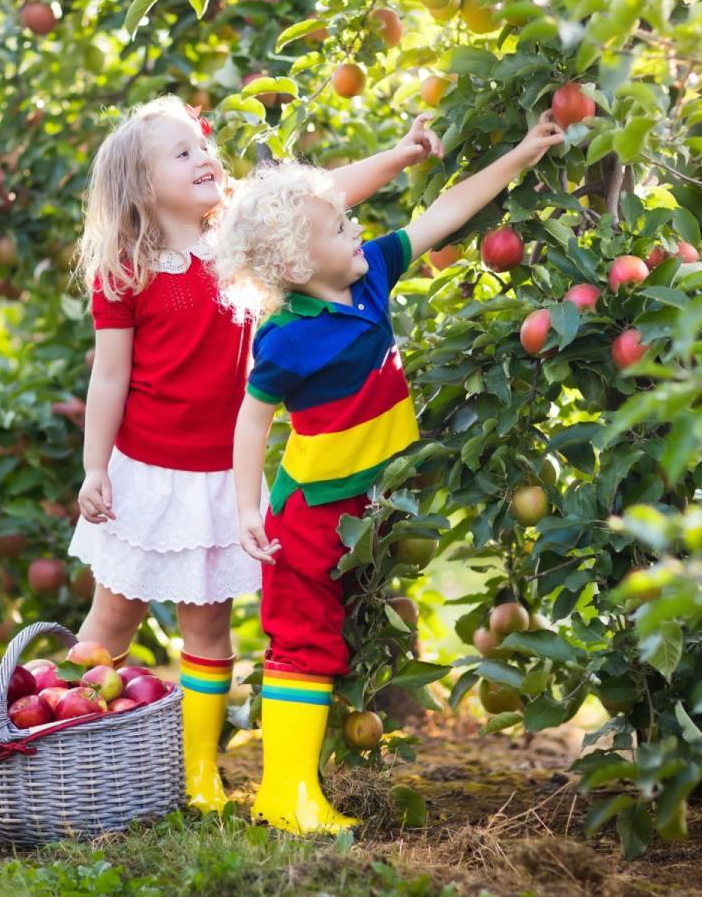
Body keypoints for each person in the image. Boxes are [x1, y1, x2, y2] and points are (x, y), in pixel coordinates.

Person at [66, 94, 444, 814]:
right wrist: (95, 467)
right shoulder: (127, 269)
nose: (205, 158)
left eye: (203, 145)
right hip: (146, 472)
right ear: (141, 184)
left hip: (219, 474)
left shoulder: (236, 230)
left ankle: (197, 773)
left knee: (208, 628)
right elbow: (108, 376)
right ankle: (68, 741)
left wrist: (399, 156)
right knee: (113, 616)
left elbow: (324, 197)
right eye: (182, 152)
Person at [215, 111, 565, 835]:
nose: (356, 230)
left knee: (337, 638)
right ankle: (285, 794)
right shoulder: (285, 339)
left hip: (368, 508)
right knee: (303, 642)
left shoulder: (372, 274)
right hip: (310, 513)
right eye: (339, 227)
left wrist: (522, 154)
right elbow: (252, 422)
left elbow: (447, 211)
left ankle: (297, 786)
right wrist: (247, 510)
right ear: (295, 266)